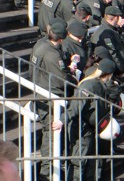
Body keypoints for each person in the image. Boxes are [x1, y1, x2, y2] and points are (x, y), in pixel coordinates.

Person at [52, 59, 116, 181]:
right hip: (82, 129)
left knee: (90, 161)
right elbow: (77, 105)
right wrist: (62, 120)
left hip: (92, 128)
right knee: (79, 161)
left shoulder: (98, 84)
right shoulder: (90, 85)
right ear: (109, 74)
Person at [30, 21, 74, 178]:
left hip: (42, 93)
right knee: (50, 135)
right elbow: (60, 80)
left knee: (49, 133)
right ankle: (46, 173)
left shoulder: (41, 45)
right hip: (50, 98)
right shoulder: (52, 54)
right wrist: (73, 75)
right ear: (61, 38)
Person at [90, 6, 124, 76]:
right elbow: (112, 52)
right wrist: (120, 69)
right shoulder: (106, 34)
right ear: (115, 18)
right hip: (110, 71)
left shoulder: (109, 29)